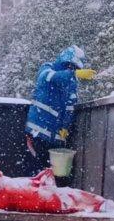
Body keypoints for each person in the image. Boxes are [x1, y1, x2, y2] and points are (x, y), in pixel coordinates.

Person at [25, 45, 96, 173]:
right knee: (35, 171)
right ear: (63, 61)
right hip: (38, 132)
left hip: (55, 138)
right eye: (69, 65)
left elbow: (70, 107)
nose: (71, 69)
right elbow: (50, 78)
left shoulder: (71, 83)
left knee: (52, 173)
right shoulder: (47, 68)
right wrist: (74, 74)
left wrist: (65, 126)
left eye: (74, 67)